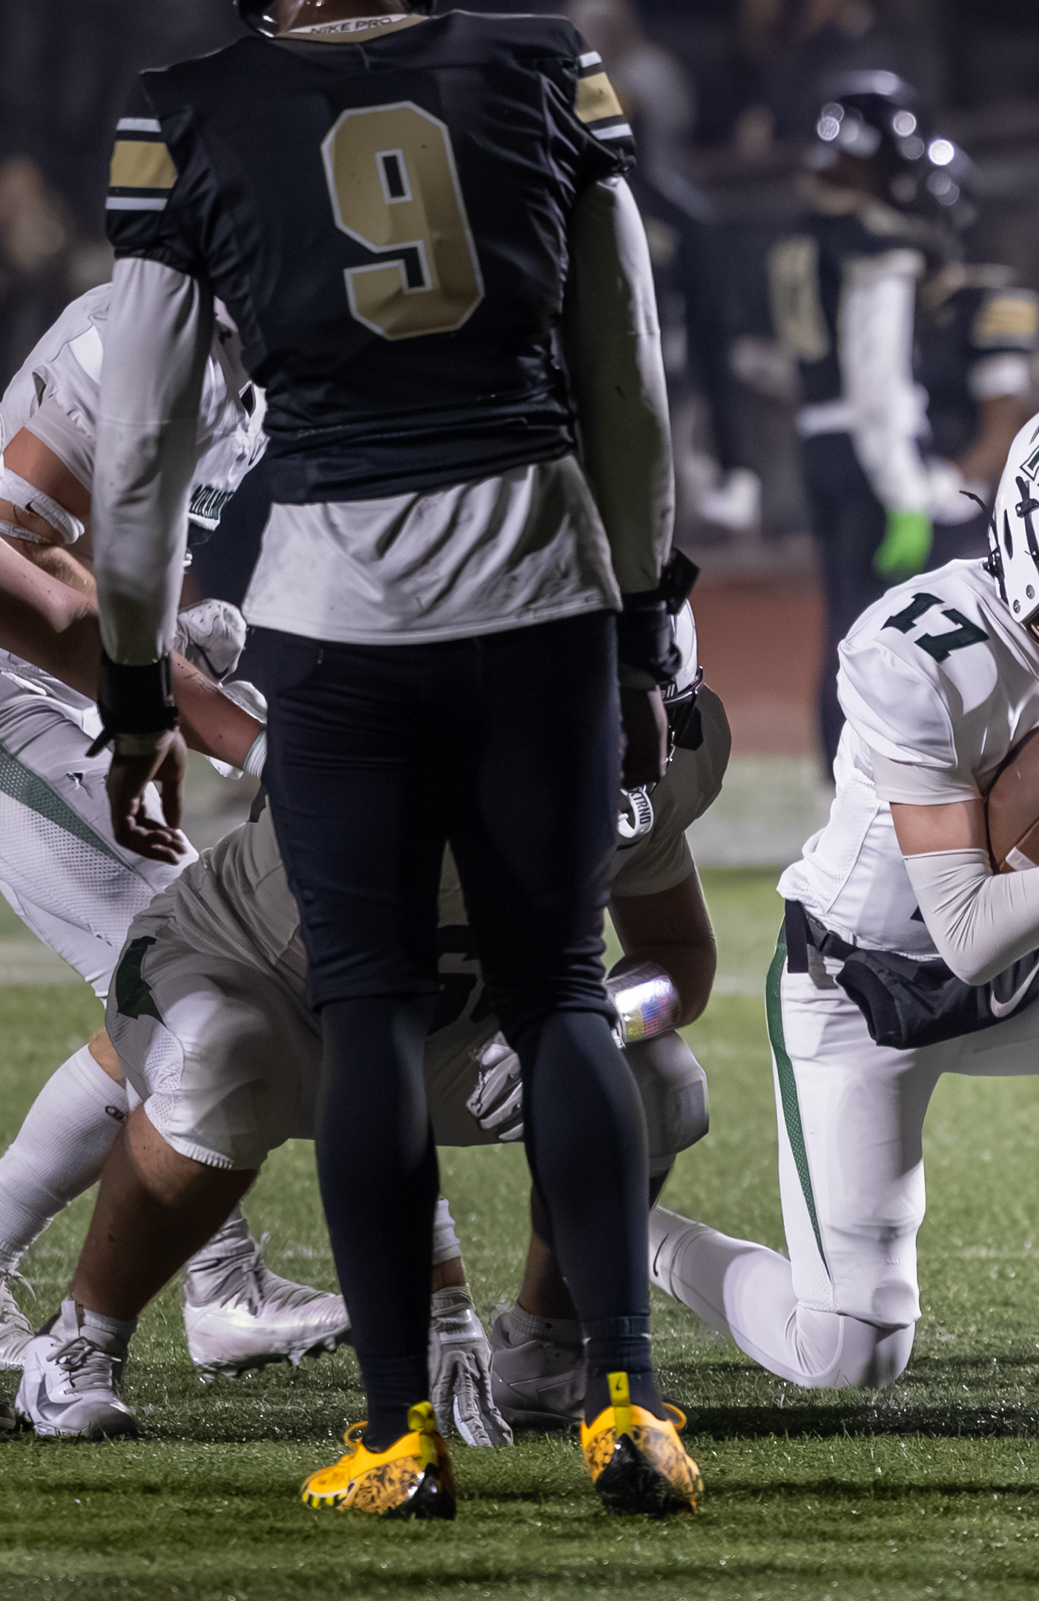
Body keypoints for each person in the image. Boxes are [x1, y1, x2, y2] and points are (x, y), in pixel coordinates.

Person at [89, 0, 693, 1517]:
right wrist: (637, 626)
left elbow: (144, 445)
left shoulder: (188, 105)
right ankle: (626, 1405)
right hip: (541, 582)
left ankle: (397, 1435)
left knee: (367, 1007)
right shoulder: (543, 63)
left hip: (337, 611)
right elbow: (627, 368)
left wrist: (136, 690)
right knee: (563, 991)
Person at [645, 396, 1039, 1393]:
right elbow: (965, 933)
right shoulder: (917, 653)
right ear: (1034, 548)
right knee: (848, 1349)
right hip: (869, 988)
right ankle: (627, 1228)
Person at [12, 609, 723, 1446]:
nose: (639, 758)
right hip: (254, 976)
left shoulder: (666, 752)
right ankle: (81, 1342)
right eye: (605, 721)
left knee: (656, 1081)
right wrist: (441, 1304)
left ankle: (544, 1349)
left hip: (446, 1021)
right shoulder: (400, 759)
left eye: (657, 717)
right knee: (220, 1060)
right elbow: (373, 1024)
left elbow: (681, 958)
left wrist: (604, 1019)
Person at [0, 282, 342, 1380]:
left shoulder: (248, 368)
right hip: (15, 681)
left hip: (74, 687)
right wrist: (226, 726)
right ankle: (222, 1285)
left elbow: (138, 551)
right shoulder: (144, 340)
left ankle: (221, 1282)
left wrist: (176, 640)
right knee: (199, 963)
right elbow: (15, 550)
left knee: (183, 976)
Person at [770, 73, 960, 769]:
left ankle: (838, 768)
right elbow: (878, 377)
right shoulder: (872, 239)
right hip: (870, 448)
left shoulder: (799, 235)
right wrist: (905, 488)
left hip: (817, 441)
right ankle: (877, 773)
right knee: (888, 630)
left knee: (843, 621)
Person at [911, 141, 1039, 570]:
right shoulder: (895, 296)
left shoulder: (990, 302)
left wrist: (949, 485)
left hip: (965, 505)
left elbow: (1002, 432)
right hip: (900, 494)